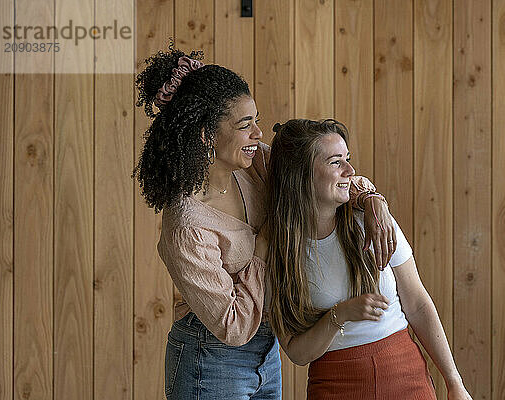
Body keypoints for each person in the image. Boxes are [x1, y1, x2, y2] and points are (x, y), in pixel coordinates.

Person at [133, 46, 398, 400]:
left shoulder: (255, 164)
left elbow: (319, 177)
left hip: (266, 351)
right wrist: (263, 245)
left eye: (257, 120)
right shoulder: (187, 226)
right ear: (206, 135)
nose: (259, 133)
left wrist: (372, 200)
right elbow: (233, 324)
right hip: (209, 361)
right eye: (245, 125)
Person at [267, 119, 473, 400]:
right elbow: (297, 352)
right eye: (335, 162)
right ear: (301, 175)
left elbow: (417, 303)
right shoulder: (279, 249)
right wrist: (340, 315)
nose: (350, 171)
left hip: (406, 376)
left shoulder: (373, 220)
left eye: (348, 159)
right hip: (334, 385)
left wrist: (454, 383)